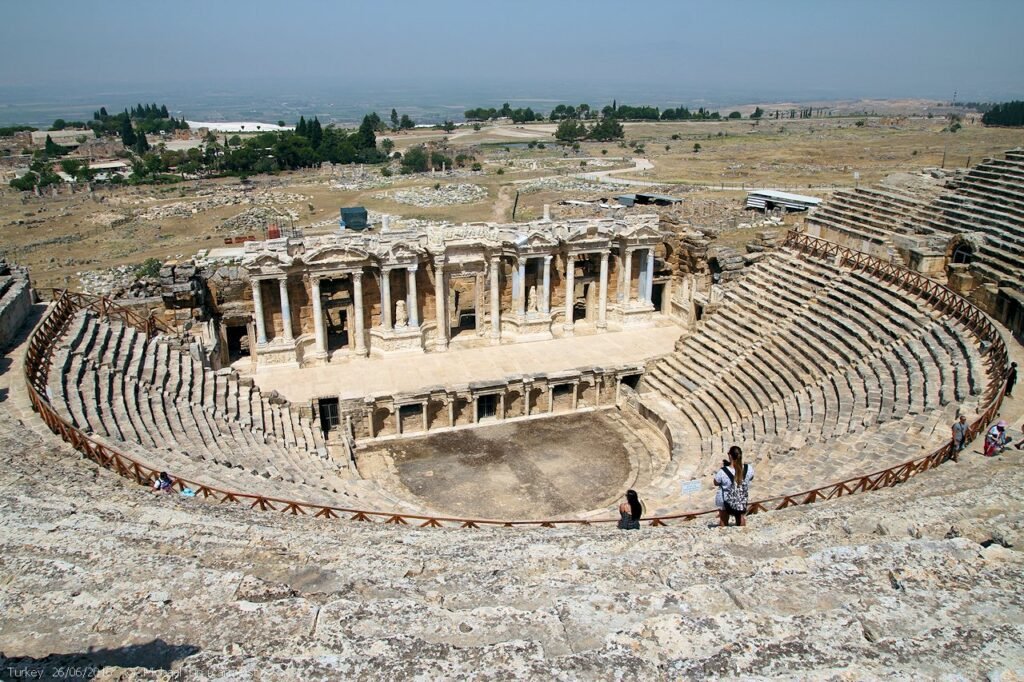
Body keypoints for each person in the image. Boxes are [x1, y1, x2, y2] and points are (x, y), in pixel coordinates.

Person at [714, 445, 754, 527]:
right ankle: (741, 533)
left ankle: (723, 535)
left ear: (730, 456)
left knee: (723, 519)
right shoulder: (748, 468)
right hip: (741, 498)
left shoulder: (723, 471)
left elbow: (716, 482)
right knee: (740, 517)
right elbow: (751, 477)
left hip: (725, 499)